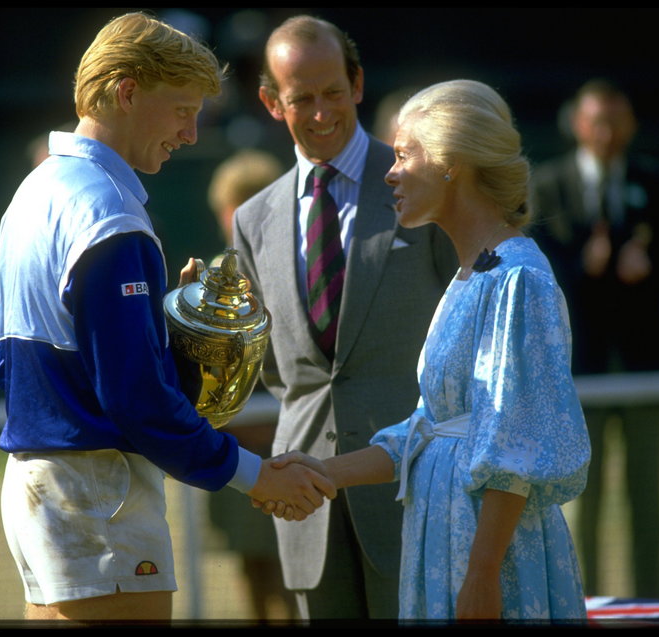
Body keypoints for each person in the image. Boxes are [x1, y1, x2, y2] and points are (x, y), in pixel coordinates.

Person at [0, 12, 335, 623]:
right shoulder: (107, 210)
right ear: (127, 92)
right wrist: (256, 476)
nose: (192, 132)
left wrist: (164, 329)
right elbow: (134, 398)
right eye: (182, 108)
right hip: (100, 496)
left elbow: (31, 364)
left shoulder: (33, 192)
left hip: (39, 487)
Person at [267, 79, 591, 622]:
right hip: (443, 543)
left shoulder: (519, 280)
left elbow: (513, 444)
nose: (389, 173)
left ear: (449, 162)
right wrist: (322, 471)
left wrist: (482, 576)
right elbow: (426, 431)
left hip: (488, 560)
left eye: (402, 154)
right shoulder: (471, 276)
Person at [232, 15, 457, 620]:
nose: (321, 111)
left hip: (417, 493)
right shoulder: (253, 219)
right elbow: (282, 373)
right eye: (301, 97)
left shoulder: (423, 183)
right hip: (304, 506)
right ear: (270, 103)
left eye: (333, 91)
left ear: (357, 83)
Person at [528, 79, 659, 599]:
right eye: (597, 121)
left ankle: (652, 605)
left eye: (616, 121)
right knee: (582, 499)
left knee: (647, 498)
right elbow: (538, 268)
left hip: (644, 363)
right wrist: (583, 266)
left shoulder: (654, 180)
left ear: (631, 126)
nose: (606, 132)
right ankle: (582, 603)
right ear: (577, 124)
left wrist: (650, 265)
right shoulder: (549, 184)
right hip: (579, 367)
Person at [203, 149, 297, 620]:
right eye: (228, 206)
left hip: (287, 443)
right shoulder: (212, 278)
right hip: (236, 449)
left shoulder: (292, 266)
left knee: (291, 569)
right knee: (251, 566)